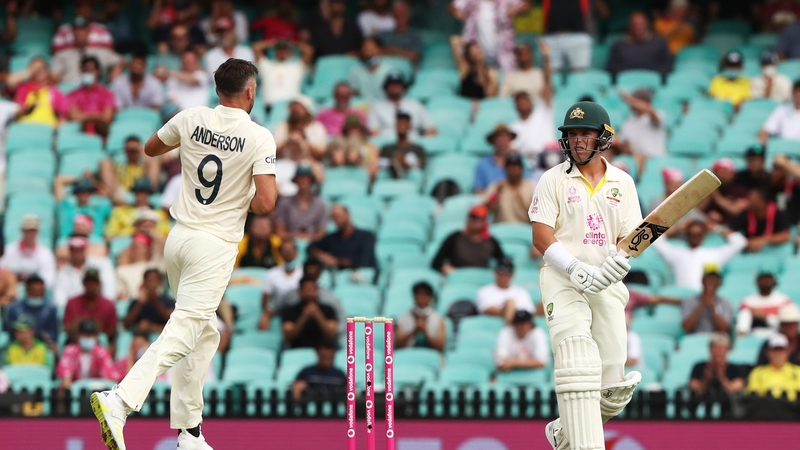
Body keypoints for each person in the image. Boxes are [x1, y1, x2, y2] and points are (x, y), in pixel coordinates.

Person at [90, 58, 278, 450]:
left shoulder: (191, 117)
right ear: (250, 91)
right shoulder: (259, 136)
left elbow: (151, 148)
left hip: (178, 239)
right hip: (214, 245)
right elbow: (265, 203)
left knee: (204, 331)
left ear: (217, 90)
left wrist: (196, 144)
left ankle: (190, 433)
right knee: (186, 329)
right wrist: (238, 195)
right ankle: (119, 401)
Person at [529, 101, 643, 449]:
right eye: (572, 134)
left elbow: (629, 238)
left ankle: (564, 432)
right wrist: (574, 267)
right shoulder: (552, 180)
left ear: (603, 138)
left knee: (613, 388)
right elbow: (540, 236)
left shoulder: (623, 182)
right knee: (577, 359)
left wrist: (619, 261)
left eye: (585, 134)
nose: (577, 141)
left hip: (607, 284)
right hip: (562, 281)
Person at [653, 220, 746, 290]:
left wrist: (716, 228)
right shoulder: (677, 253)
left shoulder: (714, 254)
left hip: (704, 298)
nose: (695, 237)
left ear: (703, 236)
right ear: (687, 235)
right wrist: (677, 229)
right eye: (692, 234)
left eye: (698, 234)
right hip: (682, 297)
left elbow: (740, 242)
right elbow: (655, 240)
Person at [450, 0, 530, 71]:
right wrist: (456, 11)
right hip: (477, 56)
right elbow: (451, 6)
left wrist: (516, 9)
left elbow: (526, 5)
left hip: (504, 56)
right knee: (477, 80)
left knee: (506, 81)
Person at [432, 204, 505, 274]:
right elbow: (436, 262)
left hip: (481, 279)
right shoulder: (454, 238)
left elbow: (504, 261)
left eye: (476, 218)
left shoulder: (490, 242)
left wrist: (496, 272)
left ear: (483, 222)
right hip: (458, 278)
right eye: (471, 217)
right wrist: (444, 268)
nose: (472, 221)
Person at [51, 17, 123, 84]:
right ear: (72, 33)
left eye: (82, 30)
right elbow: (54, 75)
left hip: (93, 90)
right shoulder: (62, 54)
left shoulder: (100, 52)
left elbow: (121, 61)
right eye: (76, 30)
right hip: (69, 88)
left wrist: (115, 72)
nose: (79, 33)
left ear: (88, 32)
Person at [368, 71, 436, 138]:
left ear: (404, 87)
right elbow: (373, 131)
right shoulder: (377, 107)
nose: (395, 86)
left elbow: (431, 129)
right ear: (386, 87)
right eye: (392, 84)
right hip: (386, 142)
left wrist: (420, 142)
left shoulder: (415, 105)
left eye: (398, 84)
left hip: (412, 142)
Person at [308, 205, 377, 270]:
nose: (337, 219)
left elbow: (365, 259)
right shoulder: (332, 238)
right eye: (334, 217)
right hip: (338, 273)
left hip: (362, 273)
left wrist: (339, 262)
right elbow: (311, 247)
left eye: (339, 216)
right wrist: (322, 256)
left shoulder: (366, 236)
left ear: (348, 214)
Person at [54, 236, 116, 307]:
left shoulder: (102, 264)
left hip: (98, 308)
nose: (77, 253)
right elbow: (59, 299)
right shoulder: (62, 272)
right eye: (74, 250)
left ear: (85, 249)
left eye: (80, 249)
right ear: (70, 251)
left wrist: (104, 307)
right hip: (73, 310)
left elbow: (109, 291)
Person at [58, 319, 121, 388]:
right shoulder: (69, 351)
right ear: (77, 336)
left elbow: (109, 376)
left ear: (96, 336)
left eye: (91, 335)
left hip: (98, 389)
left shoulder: (102, 352)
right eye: (85, 334)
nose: (87, 337)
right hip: (75, 390)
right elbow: (65, 377)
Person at [607, 12, 672, 77]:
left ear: (647, 25)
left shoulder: (659, 43)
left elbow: (667, 66)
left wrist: (651, 76)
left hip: (653, 81)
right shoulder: (619, 46)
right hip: (627, 81)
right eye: (635, 24)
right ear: (630, 26)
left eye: (641, 24)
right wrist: (631, 75)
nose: (638, 27)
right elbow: (612, 67)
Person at [281, 277, 339, 349]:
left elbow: (332, 334)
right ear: (300, 292)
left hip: (323, 350)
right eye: (306, 290)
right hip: (298, 349)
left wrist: (318, 315)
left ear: (317, 291)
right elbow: (288, 336)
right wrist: (304, 316)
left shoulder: (328, 309)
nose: (309, 293)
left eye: (312, 290)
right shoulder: (289, 311)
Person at [99, 137, 160, 205]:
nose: (132, 152)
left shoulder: (144, 166)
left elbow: (152, 165)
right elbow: (106, 167)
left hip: (143, 192)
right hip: (122, 194)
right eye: (130, 150)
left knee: (155, 163)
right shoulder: (120, 166)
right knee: (105, 163)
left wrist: (142, 150)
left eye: (135, 150)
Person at [252, 40, 310, 112]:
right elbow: (256, 47)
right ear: (275, 52)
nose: (282, 53)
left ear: (290, 53)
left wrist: (291, 44)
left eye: (285, 51)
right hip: (268, 108)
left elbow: (308, 51)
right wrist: (274, 43)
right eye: (280, 51)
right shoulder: (267, 66)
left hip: (289, 109)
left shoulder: (296, 68)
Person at [258, 240, 303, 330]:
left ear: (296, 252)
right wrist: (266, 313)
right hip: (278, 308)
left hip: (298, 308)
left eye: (290, 250)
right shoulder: (272, 273)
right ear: (280, 253)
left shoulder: (303, 272)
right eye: (285, 250)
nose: (288, 253)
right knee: (262, 323)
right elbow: (265, 297)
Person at [730, 187, 792, 253]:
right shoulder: (746, 213)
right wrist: (744, 242)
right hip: (750, 252)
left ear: (761, 201)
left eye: (750, 198)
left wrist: (763, 240)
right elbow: (729, 230)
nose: (747, 201)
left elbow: (786, 235)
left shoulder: (778, 213)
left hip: (771, 252)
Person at [275, 165, 328, 242]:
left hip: (313, 243)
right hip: (290, 242)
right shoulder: (285, 203)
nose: (303, 181)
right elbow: (279, 231)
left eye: (306, 178)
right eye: (300, 178)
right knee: (287, 248)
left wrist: (309, 238)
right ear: (296, 180)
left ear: (311, 181)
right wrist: (296, 236)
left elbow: (321, 233)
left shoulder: (320, 204)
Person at [105, 178, 172, 239]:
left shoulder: (161, 215)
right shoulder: (120, 212)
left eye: (143, 190)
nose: (140, 194)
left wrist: (150, 232)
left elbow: (167, 236)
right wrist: (135, 231)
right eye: (137, 191)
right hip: (129, 243)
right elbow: (109, 236)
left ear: (149, 193)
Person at [62, 268, 118, 341]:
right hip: (75, 342)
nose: (91, 285)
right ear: (83, 283)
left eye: (94, 282)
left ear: (99, 284)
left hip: (99, 342)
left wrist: (100, 328)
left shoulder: (108, 304)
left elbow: (112, 332)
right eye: (88, 282)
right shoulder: (72, 302)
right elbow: (66, 328)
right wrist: (78, 324)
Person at [4, 275, 58, 350]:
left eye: (40, 291)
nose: (36, 294)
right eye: (33, 291)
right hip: (18, 346)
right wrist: (24, 336)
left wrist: (39, 337)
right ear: (27, 290)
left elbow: (54, 333)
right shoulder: (14, 309)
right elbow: (9, 331)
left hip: (43, 346)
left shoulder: (50, 309)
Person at [1, 214, 56, 287]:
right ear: (22, 230)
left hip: (35, 292)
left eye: (33, 230)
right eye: (28, 230)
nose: (30, 233)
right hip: (11, 289)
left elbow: (48, 280)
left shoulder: (46, 254)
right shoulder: (7, 251)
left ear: (38, 231)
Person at [67, 56, 116, 137]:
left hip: (102, 132)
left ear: (97, 72)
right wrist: (98, 116)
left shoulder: (107, 93)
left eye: (90, 70)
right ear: (81, 72)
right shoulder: (73, 94)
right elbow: (74, 116)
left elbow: (107, 117)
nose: (87, 73)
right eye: (85, 71)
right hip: (80, 133)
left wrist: (84, 116)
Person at [11, 57, 67, 127]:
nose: (40, 71)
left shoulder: (54, 90)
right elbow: (10, 82)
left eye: (43, 68)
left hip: (47, 127)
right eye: (36, 68)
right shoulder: (22, 88)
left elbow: (63, 113)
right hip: (25, 127)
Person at [689, 333, 747, 399]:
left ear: (728, 350)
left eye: (721, 348)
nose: (718, 351)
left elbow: (734, 390)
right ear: (710, 349)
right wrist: (706, 379)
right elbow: (694, 390)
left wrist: (722, 377)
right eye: (715, 348)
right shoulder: (699, 367)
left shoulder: (736, 369)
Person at [476, 257, 535, 323]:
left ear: (512, 275)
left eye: (508, 272)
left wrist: (511, 311)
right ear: (495, 272)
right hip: (492, 325)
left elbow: (529, 312)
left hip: (520, 324)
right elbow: (488, 310)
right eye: (502, 271)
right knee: (510, 303)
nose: (505, 275)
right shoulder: (484, 291)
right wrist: (508, 309)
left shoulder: (521, 292)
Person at [615, 88, 667, 163]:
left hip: (655, 160)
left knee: (640, 156)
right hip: (633, 158)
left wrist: (630, 99)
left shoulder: (657, 114)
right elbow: (623, 143)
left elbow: (649, 109)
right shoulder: (628, 121)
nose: (631, 103)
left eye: (636, 100)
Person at [484, 152, 536, 224]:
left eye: (516, 167)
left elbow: (537, 215)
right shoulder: (497, 186)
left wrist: (522, 203)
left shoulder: (531, 188)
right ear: (505, 169)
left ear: (521, 169)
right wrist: (495, 197)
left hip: (525, 228)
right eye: (510, 167)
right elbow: (484, 209)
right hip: (502, 228)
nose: (513, 170)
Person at [681, 264, 734, 334]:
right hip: (695, 337)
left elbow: (725, 329)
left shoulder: (725, 303)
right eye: (708, 278)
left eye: (714, 279)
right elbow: (686, 328)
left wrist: (711, 307)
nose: (710, 282)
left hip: (716, 337)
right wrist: (702, 303)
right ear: (702, 280)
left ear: (719, 282)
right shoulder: (689, 301)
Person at [736, 271, 792, 337]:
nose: (765, 281)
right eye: (762, 279)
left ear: (774, 281)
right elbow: (742, 323)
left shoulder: (784, 300)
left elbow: (787, 324)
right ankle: (741, 340)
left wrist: (764, 317)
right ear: (757, 281)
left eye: (768, 279)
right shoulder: (747, 301)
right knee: (745, 312)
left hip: (777, 335)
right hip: (753, 335)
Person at [273, 95, 328, 160]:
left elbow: (321, 154)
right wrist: (289, 143)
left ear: (307, 110)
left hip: (308, 162)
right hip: (284, 162)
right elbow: (272, 152)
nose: (295, 110)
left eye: (299, 108)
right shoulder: (281, 126)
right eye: (293, 107)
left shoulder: (317, 128)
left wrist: (303, 143)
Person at [747, 333, 800, 401]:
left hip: (792, 407)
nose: (778, 354)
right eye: (775, 350)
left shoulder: (798, 372)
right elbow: (752, 396)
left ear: (787, 352)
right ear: (768, 352)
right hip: (765, 406)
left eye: (781, 350)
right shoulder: (757, 373)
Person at [395, 281, 446, 351]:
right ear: (414, 296)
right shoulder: (403, 318)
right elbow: (398, 345)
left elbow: (440, 347)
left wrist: (425, 331)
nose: (422, 298)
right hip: (408, 354)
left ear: (430, 297)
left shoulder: (438, 319)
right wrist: (414, 330)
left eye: (425, 294)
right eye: (419, 294)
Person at [122, 269, 176, 334]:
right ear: (144, 283)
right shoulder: (137, 303)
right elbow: (126, 324)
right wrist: (140, 303)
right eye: (149, 280)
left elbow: (172, 320)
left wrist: (155, 301)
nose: (152, 284)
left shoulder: (167, 300)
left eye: (154, 280)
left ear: (160, 282)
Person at [508, 91, 555, 162]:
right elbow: (512, 148)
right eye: (519, 102)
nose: (522, 103)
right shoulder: (513, 127)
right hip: (529, 163)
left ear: (531, 102)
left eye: (525, 100)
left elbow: (547, 91)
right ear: (516, 106)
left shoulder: (542, 113)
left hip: (550, 157)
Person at [702, 158, 750, 225]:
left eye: (726, 172)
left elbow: (736, 211)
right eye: (720, 172)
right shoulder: (707, 190)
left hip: (732, 227)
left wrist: (716, 196)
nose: (723, 176)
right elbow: (696, 210)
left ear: (733, 174)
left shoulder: (741, 191)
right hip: (706, 225)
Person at [379, 112, 426, 178]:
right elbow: (380, 163)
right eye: (399, 124)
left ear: (409, 127)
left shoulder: (418, 148)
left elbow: (421, 164)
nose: (401, 127)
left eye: (403, 124)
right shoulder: (387, 148)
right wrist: (392, 163)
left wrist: (405, 163)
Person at [451, 35, 498, 100]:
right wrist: (469, 42)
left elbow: (491, 95)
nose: (476, 51)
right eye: (473, 51)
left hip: (482, 103)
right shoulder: (465, 68)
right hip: (464, 102)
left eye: (478, 48)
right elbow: (454, 40)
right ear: (469, 55)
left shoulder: (490, 71)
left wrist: (484, 84)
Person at [349, 37, 396, 102]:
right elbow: (353, 94)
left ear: (379, 50)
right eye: (364, 47)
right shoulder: (355, 71)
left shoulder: (390, 71)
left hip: (384, 105)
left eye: (370, 47)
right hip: (362, 105)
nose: (366, 49)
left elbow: (394, 95)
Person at [474, 125, 517, 193]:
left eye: (505, 138)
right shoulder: (483, 163)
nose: (502, 142)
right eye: (499, 139)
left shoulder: (518, 161)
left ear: (510, 140)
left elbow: (526, 185)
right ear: (493, 141)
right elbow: (478, 190)